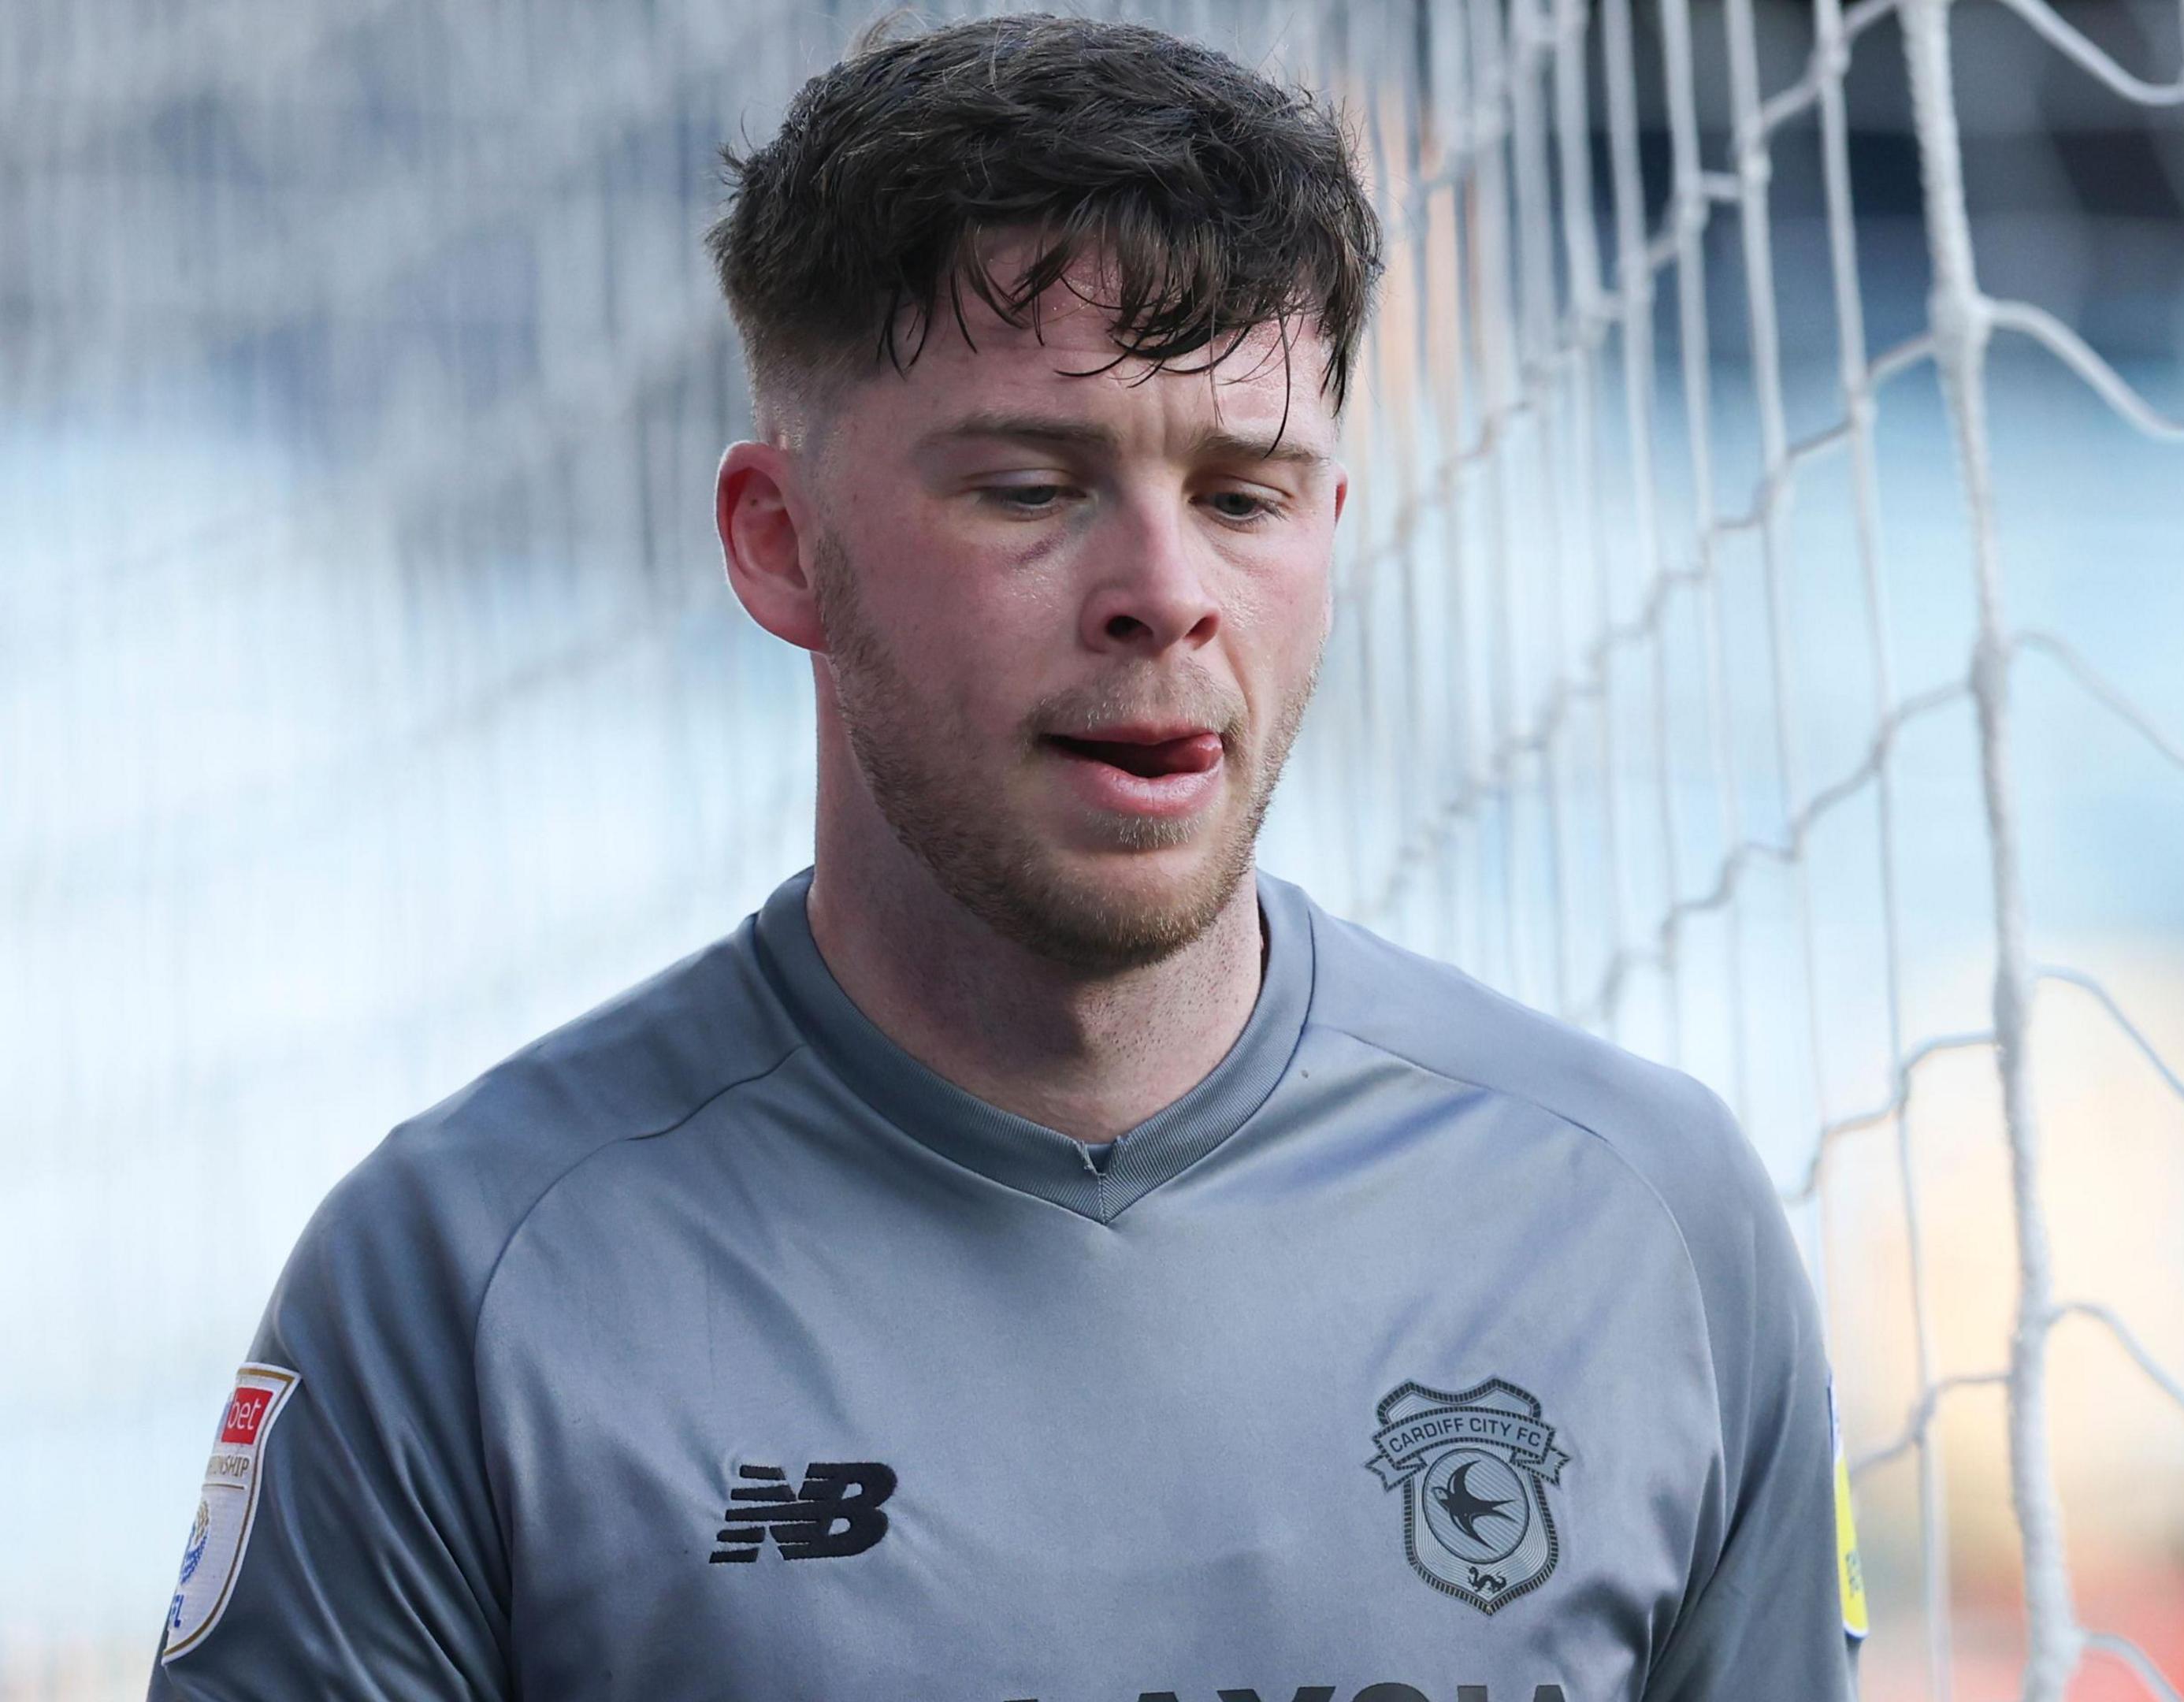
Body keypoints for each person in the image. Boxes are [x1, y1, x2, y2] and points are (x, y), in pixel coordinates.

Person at [147, 14, 1861, 1700]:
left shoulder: (1646, 1227)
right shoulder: (461, 1286)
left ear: (1334, 531)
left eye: (1247, 495)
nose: (1165, 589)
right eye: (1035, 488)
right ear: (778, 542)